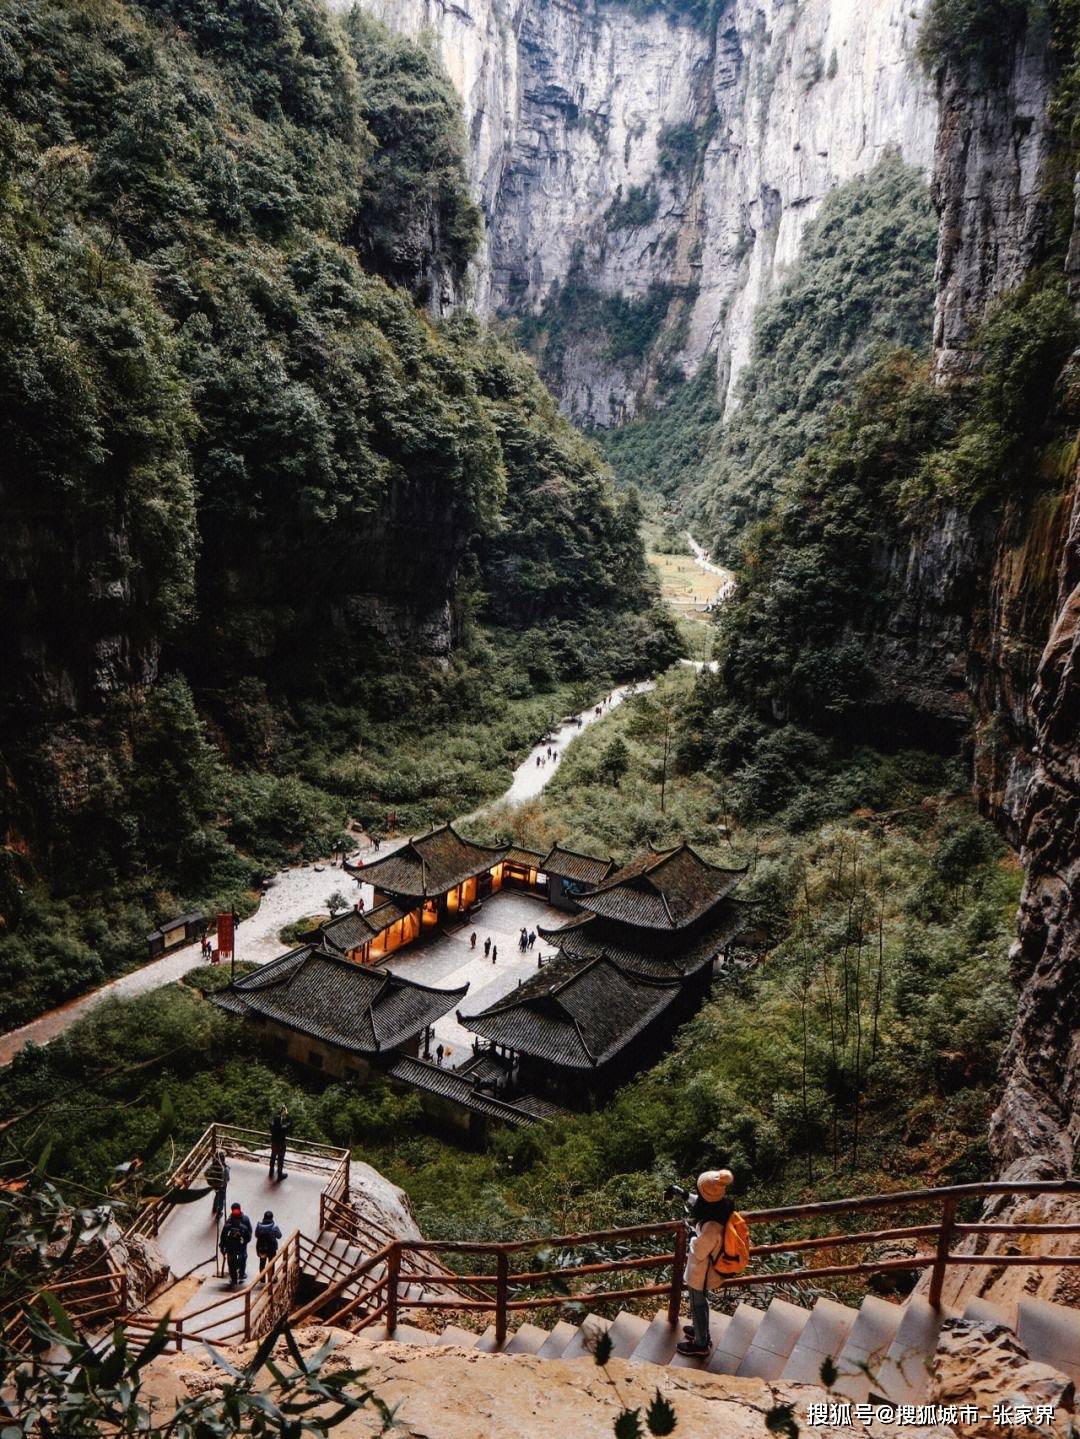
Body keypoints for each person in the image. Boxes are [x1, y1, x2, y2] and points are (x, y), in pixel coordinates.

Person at [672, 1169, 742, 1358]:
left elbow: (700, 1250)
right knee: (699, 1302)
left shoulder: (712, 1226)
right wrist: (683, 1194)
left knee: (698, 1304)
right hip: (703, 1268)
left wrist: (692, 1234)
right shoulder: (720, 1207)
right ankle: (699, 1329)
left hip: (702, 1271)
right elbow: (700, 1202)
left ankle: (701, 1343)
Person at [220, 1203, 252, 1287]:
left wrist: (222, 1246)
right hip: (241, 1246)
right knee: (243, 1258)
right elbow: (249, 1233)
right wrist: (246, 1240)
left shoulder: (229, 1221)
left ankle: (234, 1279)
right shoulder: (245, 1219)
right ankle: (241, 1273)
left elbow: (223, 1235)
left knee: (231, 1263)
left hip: (231, 1246)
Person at [206, 1150, 230, 1218]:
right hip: (222, 1187)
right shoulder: (225, 1169)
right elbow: (227, 1179)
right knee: (221, 1199)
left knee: (217, 1195)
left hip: (214, 1185)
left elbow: (206, 1173)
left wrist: (211, 1181)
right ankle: (219, 1213)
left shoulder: (212, 1166)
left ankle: (214, 1207)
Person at [269, 1106, 288, 1181]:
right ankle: (280, 1174)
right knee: (280, 1159)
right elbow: (289, 1124)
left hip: (274, 1143)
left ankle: (271, 1171)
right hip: (281, 1144)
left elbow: (272, 1122)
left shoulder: (272, 1126)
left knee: (273, 1157)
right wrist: (286, 1113)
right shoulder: (283, 1128)